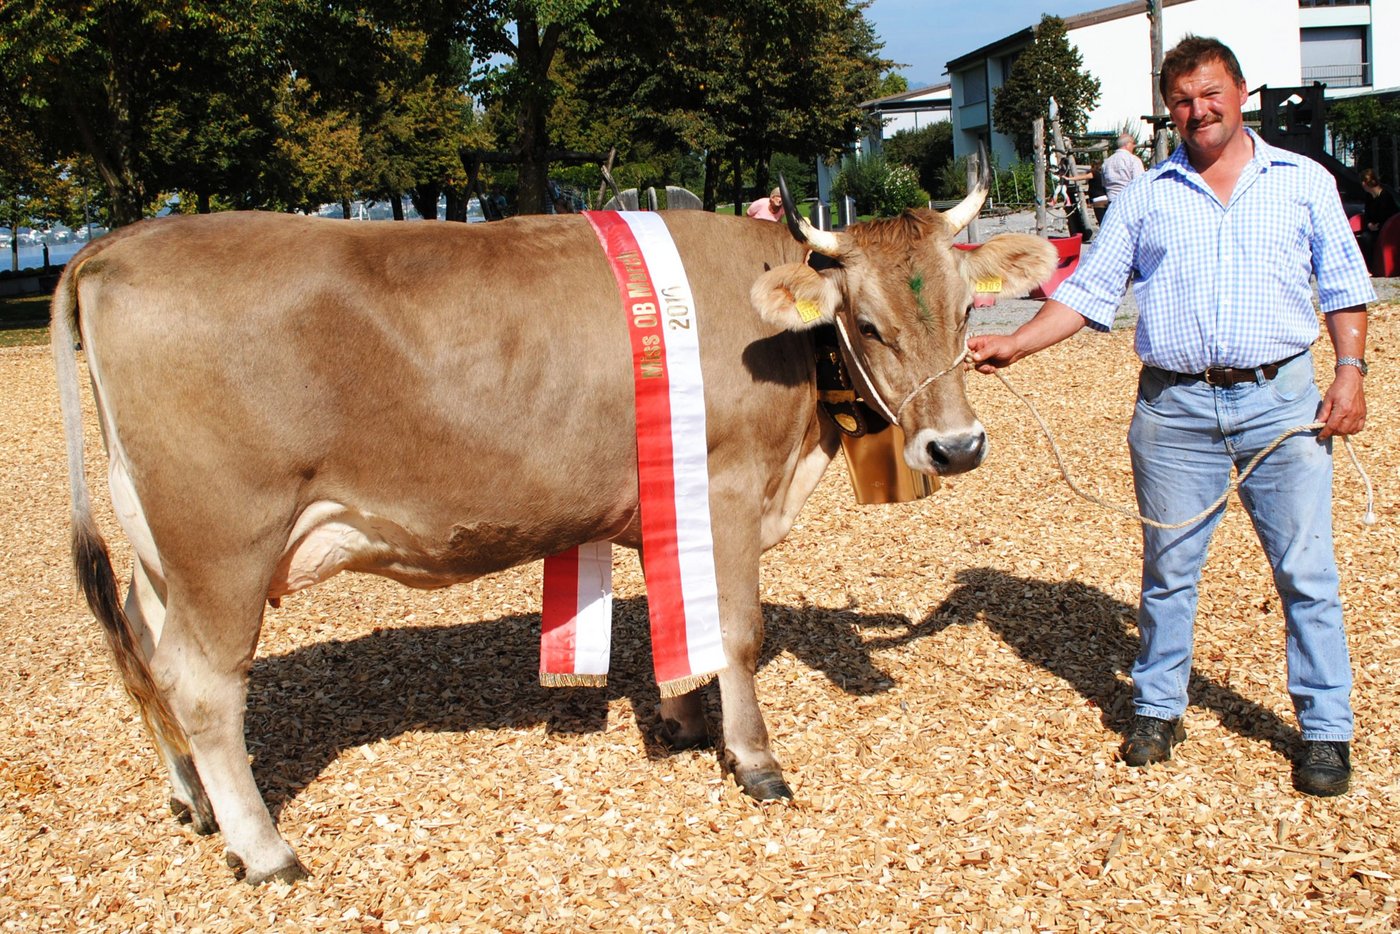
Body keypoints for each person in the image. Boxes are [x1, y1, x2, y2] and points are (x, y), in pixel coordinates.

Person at [967, 36, 1374, 797]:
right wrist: (1015, 344)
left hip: (1281, 401)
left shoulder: (1303, 182)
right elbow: (1089, 292)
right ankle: (1158, 708)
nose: (1199, 110)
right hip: (1174, 408)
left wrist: (1349, 373)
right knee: (1169, 569)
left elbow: (1346, 287)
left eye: (1211, 93)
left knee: (1305, 571)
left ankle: (1325, 729)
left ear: (1241, 93)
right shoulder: (1146, 195)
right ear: (1168, 110)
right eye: (1183, 100)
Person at [1355, 168, 1397, 275]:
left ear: (1365, 183)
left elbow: (1390, 216)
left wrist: (1377, 226)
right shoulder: (1369, 197)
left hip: (1386, 230)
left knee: (1366, 238)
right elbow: (1367, 215)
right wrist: (1369, 224)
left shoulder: (1385, 196)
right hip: (1372, 228)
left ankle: (1369, 268)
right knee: (1358, 236)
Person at [1102, 132, 1145, 204]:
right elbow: (1140, 182)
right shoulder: (1133, 160)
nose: (1134, 146)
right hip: (1129, 200)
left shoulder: (1106, 162)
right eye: (1133, 143)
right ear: (1128, 144)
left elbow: (1104, 184)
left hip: (1111, 202)